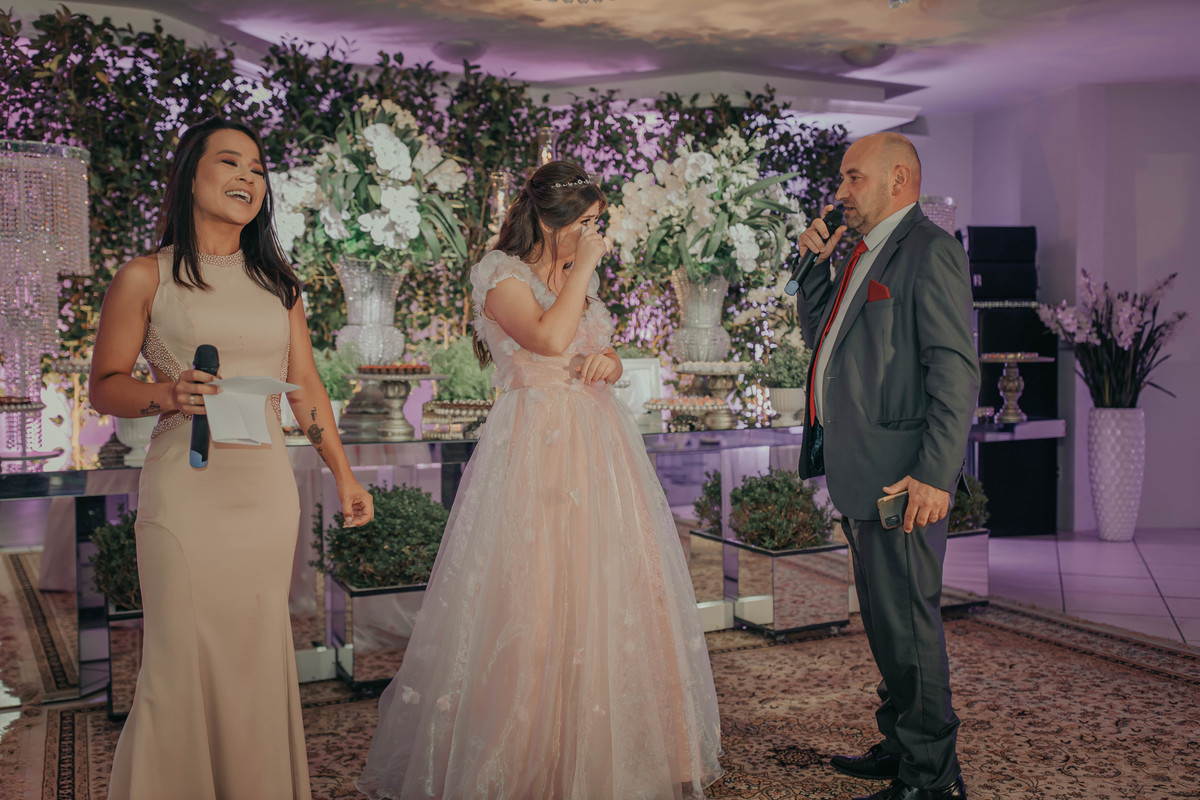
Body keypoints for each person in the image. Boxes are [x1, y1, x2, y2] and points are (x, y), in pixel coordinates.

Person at [358, 161, 723, 799]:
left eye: (599, 223)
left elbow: (590, 348)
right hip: (536, 443)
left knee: (607, 587)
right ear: (553, 220)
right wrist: (585, 266)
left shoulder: (578, 275)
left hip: (600, 446)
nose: (596, 234)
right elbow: (550, 341)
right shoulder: (501, 275)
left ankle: (609, 752)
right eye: (587, 222)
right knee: (535, 589)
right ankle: (525, 756)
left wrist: (611, 363)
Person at [89, 117, 374, 800]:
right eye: (230, 162)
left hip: (266, 492)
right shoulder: (145, 276)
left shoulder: (280, 285)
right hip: (186, 491)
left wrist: (343, 474)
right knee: (179, 660)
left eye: (257, 168)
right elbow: (104, 386)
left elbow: (306, 388)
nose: (248, 177)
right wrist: (166, 394)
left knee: (254, 658)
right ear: (191, 174)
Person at [792, 133, 979, 800]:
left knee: (908, 626)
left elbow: (954, 373)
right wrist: (813, 267)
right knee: (884, 622)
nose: (841, 191)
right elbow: (825, 340)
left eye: (854, 178)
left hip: (904, 478)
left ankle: (933, 778)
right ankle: (903, 745)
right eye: (843, 179)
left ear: (899, 180)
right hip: (862, 471)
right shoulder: (860, 253)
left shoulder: (929, 251)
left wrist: (934, 475)